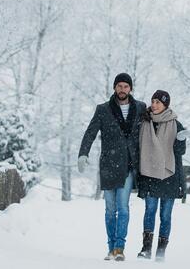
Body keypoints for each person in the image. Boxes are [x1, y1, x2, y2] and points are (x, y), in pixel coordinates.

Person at [77, 73, 146, 261]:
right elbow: (90, 132)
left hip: (129, 165)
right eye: (119, 86)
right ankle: (110, 247)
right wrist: (83, 153)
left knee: (123, 207)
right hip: (108, 164)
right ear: (115, 88)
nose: (122, 89)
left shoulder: (140, 108)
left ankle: (119, 248)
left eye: (126, 86)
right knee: (110, 209)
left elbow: (154, 128)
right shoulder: (103, 109)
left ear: (130, 89)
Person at [136, 90, 189, 262]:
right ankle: (146, 249)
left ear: (166, 104)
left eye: (158, 102)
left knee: (165, 215)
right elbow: (138, 148)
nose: (154, 104)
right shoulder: (145, 122)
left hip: (169, 176)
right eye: (153, 101)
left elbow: (180, 153)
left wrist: (181, 140)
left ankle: (160, 252)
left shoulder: (176, 125)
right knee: (149, 211)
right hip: (150, 174)